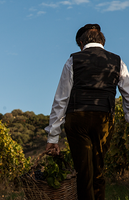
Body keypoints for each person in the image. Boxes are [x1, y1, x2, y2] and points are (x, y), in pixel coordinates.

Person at [45, 24, 129, 200]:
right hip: (104, 119)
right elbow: (128, 95)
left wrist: (53, 136)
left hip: (77, 119)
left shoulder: (72, 60)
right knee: (98, 168)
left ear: (82, 43)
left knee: (83, 172)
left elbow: (61, 99)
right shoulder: (117, 61)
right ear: (102, 42)